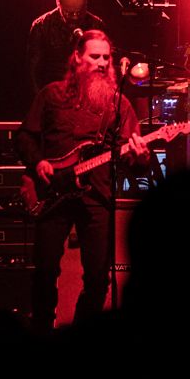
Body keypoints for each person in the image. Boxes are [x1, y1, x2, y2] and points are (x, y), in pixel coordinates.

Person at [18, 30, 148, 330]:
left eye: (107, 57)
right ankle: (42, 329)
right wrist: (37, 162)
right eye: (95, 56)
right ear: (77, 58)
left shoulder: (119, 104)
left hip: (97, 194)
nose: (102, 62)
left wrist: (139, 154)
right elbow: (25, 136)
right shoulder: (51, 95)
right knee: (46, 269)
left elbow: (134, 158)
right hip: (52, 193)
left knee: (98, 277)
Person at [27, 0, 106, 93]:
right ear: (58, 3)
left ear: (87, 2)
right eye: (69, 13)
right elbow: (33, 69)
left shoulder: (97, 26)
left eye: (79, 12)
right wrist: (40, 98)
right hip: (53, 93)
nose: (75, 18)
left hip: (86, 92)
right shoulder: (42, 26)